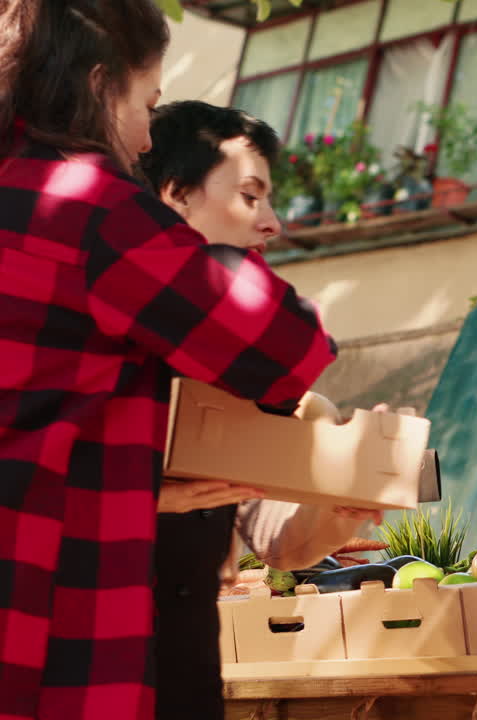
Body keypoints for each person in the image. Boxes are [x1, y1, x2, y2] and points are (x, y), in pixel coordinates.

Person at [0, 3, 336, 718]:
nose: (148, 135)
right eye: (146, 103)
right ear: (98, 85)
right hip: (47, 648)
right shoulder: (96, 212)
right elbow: (289, 346)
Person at [139, 100, 383, 719]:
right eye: (250, 196)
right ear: (174, 195)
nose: (272, 223)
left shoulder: (234, 364)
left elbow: (278, 540)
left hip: (184, 682)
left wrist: (337, 508)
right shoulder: (85, 339)